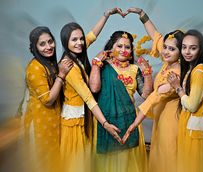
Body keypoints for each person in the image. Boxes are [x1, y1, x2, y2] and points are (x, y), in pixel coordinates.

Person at [122, 7, 184, 172]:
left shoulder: (175, 75)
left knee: (169, 157)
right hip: (161, 118)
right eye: (165, 47)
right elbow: (156, 36)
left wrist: (134, 123)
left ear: (181, 52)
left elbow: (153, 98)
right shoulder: (168, 62)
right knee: (158, 156)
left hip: (172, 121)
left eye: (172, 49)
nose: (165, 51)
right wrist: (142, 14)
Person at [59, 22, 122, 172]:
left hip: (84, 118)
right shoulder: (69, 66)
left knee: (85, 162)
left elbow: (91, 36)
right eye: (74, 40)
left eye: (81, 39)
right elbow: (88, 98)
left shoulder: (76, 54)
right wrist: (105, 124)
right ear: (65, 41)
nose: (80, 43)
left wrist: (107, 15)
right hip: (74, 122)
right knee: (76, 164)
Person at [89, 30, 153, 172]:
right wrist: (96, 64)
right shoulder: (103, 66)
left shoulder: (135, 69)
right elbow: (94, 88)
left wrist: (147, 73)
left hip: (129, 122)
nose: (123, 50)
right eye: (119, 46)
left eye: (127, 47)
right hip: (105, 120)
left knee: (127, 164)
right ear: (111, 47)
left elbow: (146, 94)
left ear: (131, 50)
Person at [167, 29, 203, 172]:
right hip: (191, 127)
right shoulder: (192, 68)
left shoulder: (199, 72)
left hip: (196, 131)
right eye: (184, 47)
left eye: (193, 48)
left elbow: (192, 105)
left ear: (201, 50)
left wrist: (177, 87)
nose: (187, 52)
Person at [24, 26, 73, 171]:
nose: (48, 47)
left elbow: (82, 43)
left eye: (50, 42)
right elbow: (48, 99)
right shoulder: (35, 68)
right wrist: (61, 75)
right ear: (35, 47)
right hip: (40, 126)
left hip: (55, 122)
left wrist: (106, 16)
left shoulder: (50, 63)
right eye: (42, 44)